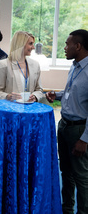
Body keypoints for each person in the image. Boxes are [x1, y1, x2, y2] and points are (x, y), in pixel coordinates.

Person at [45, 29, 88, 214]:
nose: (64, 48)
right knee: (67, 173)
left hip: (79, 130)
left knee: (82, 177)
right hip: (63, 125)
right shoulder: (75, 65)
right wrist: (58, 95)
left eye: (67, 44)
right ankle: (67, 209)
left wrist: (84, 139)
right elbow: (72, 94)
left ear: (77, 46)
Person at [0, 31, 43, 102]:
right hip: (10, 109)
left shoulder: (35, 65)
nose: (33, 47)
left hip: (30, 109)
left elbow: (39, 90)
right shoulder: (3, 64)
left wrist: (35, 96)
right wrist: (7, 96)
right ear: (21, 45)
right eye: (30, 44)